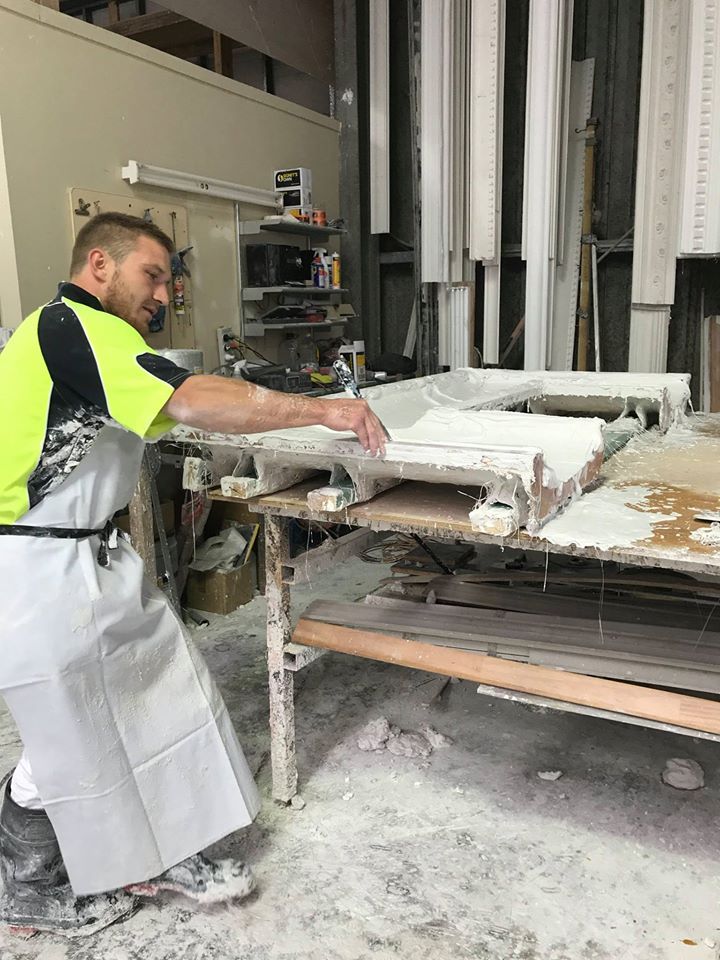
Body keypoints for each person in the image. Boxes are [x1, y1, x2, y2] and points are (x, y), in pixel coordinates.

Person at [0, 212, 386, 936]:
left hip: (87, 552)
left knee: (165, 694)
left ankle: (164, 846)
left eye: (169, 282)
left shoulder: (98, 340)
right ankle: (24, 878)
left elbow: (170, 404)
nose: (163, 295)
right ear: (99, 266)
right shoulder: (69, 325)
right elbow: (184, 397)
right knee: (72, 735)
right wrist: (320, 408)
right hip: (32, 563)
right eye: (152, 276)